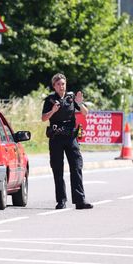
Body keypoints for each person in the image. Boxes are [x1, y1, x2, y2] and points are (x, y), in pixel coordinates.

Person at [41, 73, 92, 210]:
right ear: (54, 86)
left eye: (63, 84)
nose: (61, 86)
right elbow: (44, 118)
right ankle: (61, 200)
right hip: (56, 138)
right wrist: (53, 111)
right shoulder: (50, 100)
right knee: (58, 170)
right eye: (58, 84)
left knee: (76, 167)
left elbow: (85, 113)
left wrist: (80, 103)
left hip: (71, 137)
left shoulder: (71, 98)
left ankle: (80, 200)